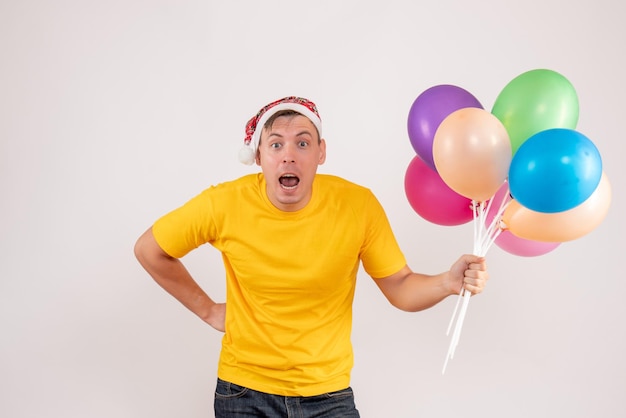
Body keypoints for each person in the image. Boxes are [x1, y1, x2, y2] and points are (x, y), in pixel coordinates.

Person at [134, 96, 489, 417]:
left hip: (329, 395)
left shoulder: (357, 206)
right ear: (259, 156)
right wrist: (209, 310)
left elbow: (399, 285)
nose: (289, 154)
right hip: (244, 392)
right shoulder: (223, 204)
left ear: (321, 152)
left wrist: (447, 282)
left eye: (302, 143)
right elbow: (150, 249)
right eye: (276, 144)